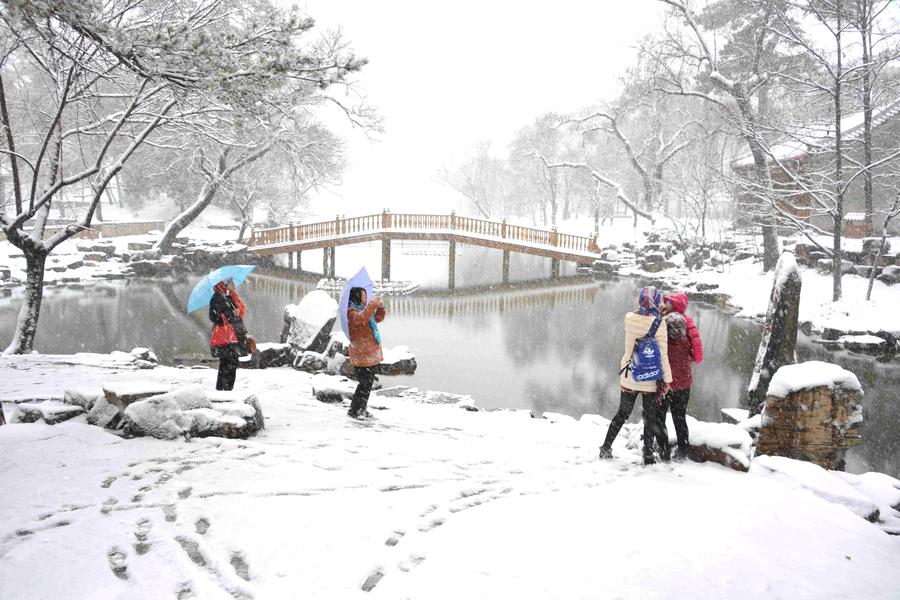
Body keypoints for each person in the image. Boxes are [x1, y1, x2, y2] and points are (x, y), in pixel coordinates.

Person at [598, 286, 673, 465]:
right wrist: (668, 380)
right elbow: (663, 355)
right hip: (650, 376)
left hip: (631, 373)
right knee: (649, 417)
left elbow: (639, 317)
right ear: (657, 301)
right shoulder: (660, 323)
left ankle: (606, 447)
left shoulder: (629, 319)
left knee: (622, 413)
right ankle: (648, 455)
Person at [661, 292, 703, 461]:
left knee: (660, 417)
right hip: (683, 382)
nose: (667, 305)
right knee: (680, 418)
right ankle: (682, 450)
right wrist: (686, 358)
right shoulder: (689, 324)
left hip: (665, 382)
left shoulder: (662, 322)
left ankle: (663, 451)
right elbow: (698, 357)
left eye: (669, 303)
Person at [347, 286, 386, 419]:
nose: (365, 298)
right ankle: (354, 411)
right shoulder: (351, 312)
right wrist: (372, 303)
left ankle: (361, 409)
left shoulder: (362, 310)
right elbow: (362, 318)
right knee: (363, 384)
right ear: (356, 297)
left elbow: (377, 318)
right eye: (363, 296)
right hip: (361, 354)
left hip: (369, 353)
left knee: (367, 385)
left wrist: (380, 307)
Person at [209, 279, 248, 391]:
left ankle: (228, 389)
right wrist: (231, 313)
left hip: (234, 336)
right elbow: (213, 317)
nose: (233, 284)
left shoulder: (229, 297)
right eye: (231, 282)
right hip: (225, 337)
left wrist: (236, 313)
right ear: (224, 284)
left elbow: (236, 316)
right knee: (226, 363)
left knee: (233, 363)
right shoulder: (217, 297)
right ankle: (222, 390)